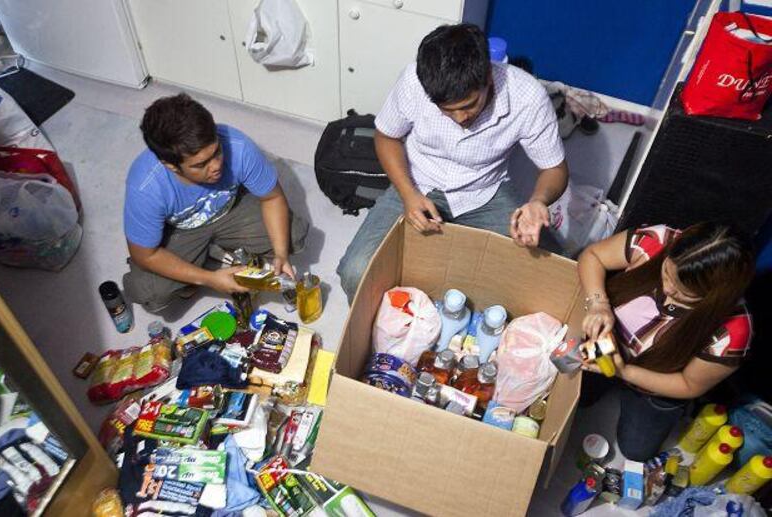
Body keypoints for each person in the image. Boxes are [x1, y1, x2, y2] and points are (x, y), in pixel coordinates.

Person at [337, 23, 569, 302]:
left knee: (557, 273)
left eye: (469, 105)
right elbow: (387, 136)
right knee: (355, 272)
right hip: (418, 182)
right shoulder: (414, 81)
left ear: (489, 78)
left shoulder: (527, 97)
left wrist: (538, 201)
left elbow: (554, 168)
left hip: (485, 191)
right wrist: (408, 195)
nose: (461, 119)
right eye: (448, 111)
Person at [577, 223, 755, 461]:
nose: (667, 288)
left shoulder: (733, 331)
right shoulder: (656, 240)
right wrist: (598, 303)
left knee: (636, 451)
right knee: (577, 398)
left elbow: (689, 385)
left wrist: (624, 372)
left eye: (684, 293)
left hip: (656, 383)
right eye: (666, 273)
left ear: (715, 296)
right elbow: (593, 256)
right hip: (608, 344)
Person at [122, 94, 309, 312]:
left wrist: (280, 254)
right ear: (171, 165)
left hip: (232, 210)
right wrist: (208, 279)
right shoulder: (145, 186)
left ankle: (211, 257)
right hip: (181, 231)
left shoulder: (238, 146)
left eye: (217, 152)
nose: (216, 166)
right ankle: (205, 264)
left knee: (293, 235)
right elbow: (145, 255)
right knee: (150, 294)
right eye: (201, 164)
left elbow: (272, 197)